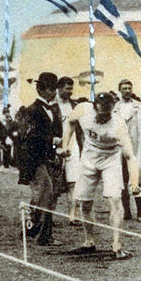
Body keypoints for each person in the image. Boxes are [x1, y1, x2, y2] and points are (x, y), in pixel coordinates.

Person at [62, 92, 140, 259]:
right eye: (100, 113)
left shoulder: (118, 125)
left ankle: (116, 245)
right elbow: (70, 123)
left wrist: (134, 182)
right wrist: (65, 144)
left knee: (115, 199)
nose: (103, 117)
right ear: (94, 107)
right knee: (84, 201)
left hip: (110, 160)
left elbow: (130, 157)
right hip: (89, 158)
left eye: (107, 113)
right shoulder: (83, 110)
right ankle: (89, 242)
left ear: (112, 109)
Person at [16, 72, 63, 246]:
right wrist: (52, 141)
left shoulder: (54, 110)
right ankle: (44, 236)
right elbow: (30, 137)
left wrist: (55, 150)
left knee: (44, 195)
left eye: (54, 89)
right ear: (39, 89)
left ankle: (29, 227)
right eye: (50, 89)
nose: (53, 93)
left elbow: (56, 134)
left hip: (46, 158)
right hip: (32, 159)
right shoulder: (31, 111)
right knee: (46, 193)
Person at [115, 79, 141, 222]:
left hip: (136, 148)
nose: (127, 91)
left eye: (129, 88)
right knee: (122, 179)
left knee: (137, 179)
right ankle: (127, 212)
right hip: (119, 149)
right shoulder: (114, 108)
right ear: (120, 90)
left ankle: (140, 213)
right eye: (124, 88)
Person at [57, 76, 82, 225]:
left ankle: (73, 215)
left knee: (73, 183)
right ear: (59, 88)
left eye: (71, 88)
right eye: (67, 88)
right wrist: (55, 147)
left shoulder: (75, 105)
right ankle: (47, 216)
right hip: (56, 147)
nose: (70, 91)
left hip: (73, 147)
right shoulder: (53, 106)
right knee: (53, 184)